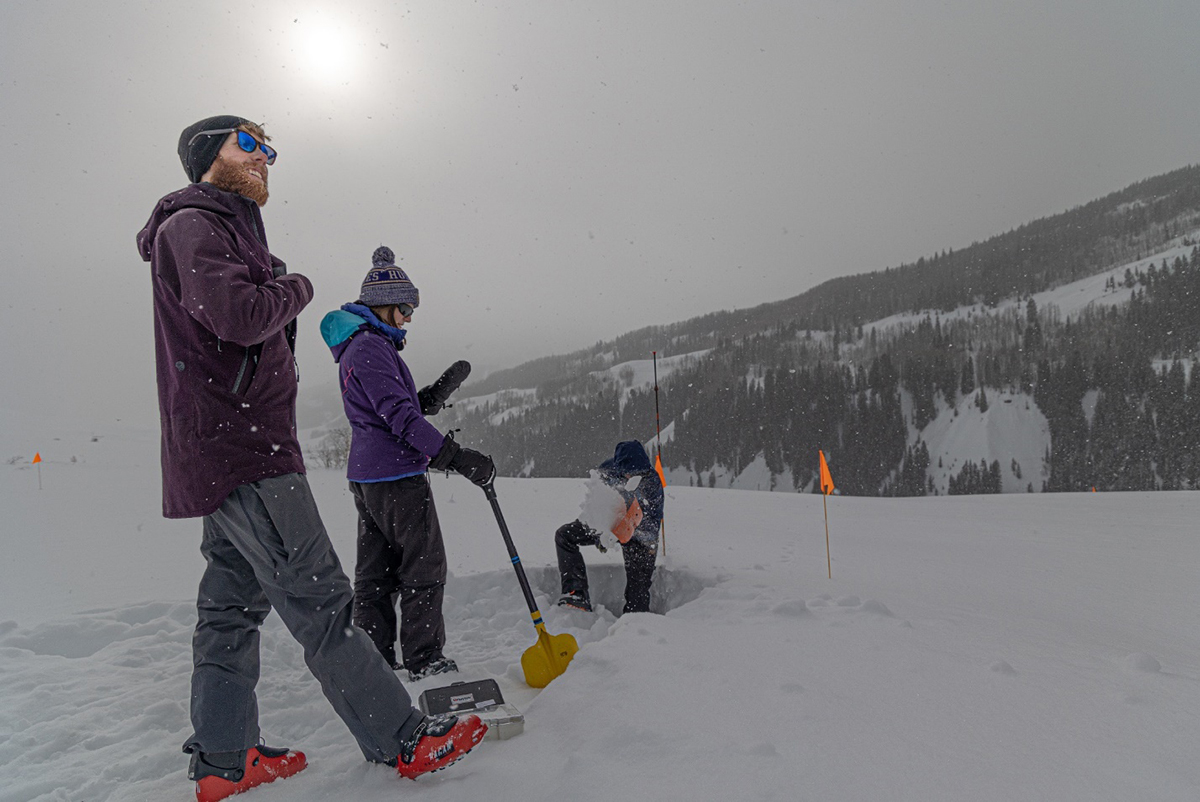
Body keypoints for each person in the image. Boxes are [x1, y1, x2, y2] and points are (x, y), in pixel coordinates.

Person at [137, 115, 485, 802]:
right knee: (323, 601)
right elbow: (239, 316)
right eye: (251, 143)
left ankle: (225, 759)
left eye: (270, 148)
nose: (267, 156)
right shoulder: (195, 225)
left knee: (231, 610)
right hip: (247, 452)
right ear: (210, 155)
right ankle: (402, 740)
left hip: (228, 452)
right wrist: (295, 285)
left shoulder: (220, 227)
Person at [319, 247, 494, 682]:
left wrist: (427, 399)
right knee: (423, 566)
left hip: (368, 475)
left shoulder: (360, 347)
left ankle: (375, 659)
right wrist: (457, 458)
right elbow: (397, 418)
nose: (409, 317)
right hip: (396, 475)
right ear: (385, 303)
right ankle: (424, 660)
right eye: (406, 307)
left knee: (376, 571)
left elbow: (389, 409)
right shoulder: (370, 348)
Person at [555, 440, 664, 614]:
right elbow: (596, 504)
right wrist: (601, 532)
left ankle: (636, 622)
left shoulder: (652, 483)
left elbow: (651, 523)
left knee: (638, 591)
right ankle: (576, 594)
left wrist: (620, 532)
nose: (632, 476)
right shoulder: (607, 471)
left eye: (638, 472)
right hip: (609, 523)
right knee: (564, 536)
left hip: (641, 537)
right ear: (619, 466)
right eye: (628, 472)